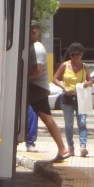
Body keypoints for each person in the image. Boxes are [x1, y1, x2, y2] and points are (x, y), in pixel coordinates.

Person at [28, 20, 70, 161]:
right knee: (46, 117)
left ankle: (62, 149)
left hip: (36, 88)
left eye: (33, 31)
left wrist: (22, 79)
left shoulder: (37, 47)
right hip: (35, 87)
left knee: (46, 117)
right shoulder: (31, 46)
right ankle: (62, 149)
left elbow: (37, 71)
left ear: (36, 31)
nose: (31, 33)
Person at [52, 42, 93, 157]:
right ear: (70, 55)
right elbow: (55, 79)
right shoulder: (65, 65)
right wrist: (64, 88)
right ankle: (70, 147)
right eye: (73, 55)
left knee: (82, 122)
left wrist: (87, 83)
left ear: (81, 55)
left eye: (78, 54)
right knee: (69, 124)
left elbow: (90, 81)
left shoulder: (85, 67)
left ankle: (83, 146)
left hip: (81, 97)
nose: (75, 57)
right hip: (67, 98)